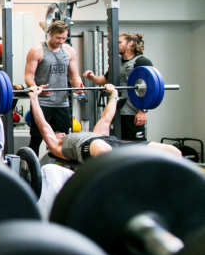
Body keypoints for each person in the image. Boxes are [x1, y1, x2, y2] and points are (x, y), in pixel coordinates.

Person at [28, 84, 181, 163]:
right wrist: (34, 98)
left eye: (60, 132)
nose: (61, 133)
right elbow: (42, 124)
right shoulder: (57, 146)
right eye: (58, 134)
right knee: (103, 151)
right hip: (90, 148)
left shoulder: (96, 134)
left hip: (114, 144)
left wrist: (114, 94)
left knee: (173, 152)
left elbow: (106, 118)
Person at [24, 20, 84, 155]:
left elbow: (74, 76)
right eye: (58, 38)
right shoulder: (37, 50)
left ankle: (61, 171)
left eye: (64, 38)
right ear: (50, 34)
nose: (61, 41)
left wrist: (78, 87)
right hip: (42, 104)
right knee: (36, 141)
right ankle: (28, 172)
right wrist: (37, 89)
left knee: (64, 142)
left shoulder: (69, 50)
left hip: (62, 104)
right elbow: (28, 76)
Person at [82, 33, 152, 141]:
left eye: (120, 42)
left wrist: (143, 111)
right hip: (118, 111)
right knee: (120, 144)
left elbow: (150, 88)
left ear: (130, 43)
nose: (117, 45)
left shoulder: (141, 62)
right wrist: (92, 77)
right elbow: (105, 80)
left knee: (137, 146)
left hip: (134, 113)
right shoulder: (116, 63)